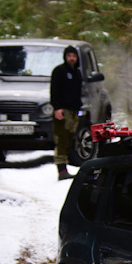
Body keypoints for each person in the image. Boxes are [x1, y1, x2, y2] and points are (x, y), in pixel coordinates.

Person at [50, 45, 82, 181]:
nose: (72, 58)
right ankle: (61, 170)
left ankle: (66, 167)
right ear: (65, 57)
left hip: (74, 111)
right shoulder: (59, 71)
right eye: (69, 56)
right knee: (61, 139)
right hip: (63, 111)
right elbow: (54, 91)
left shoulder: (77, 73)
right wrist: (57, 108)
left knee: (70, 139)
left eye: (73, 56)